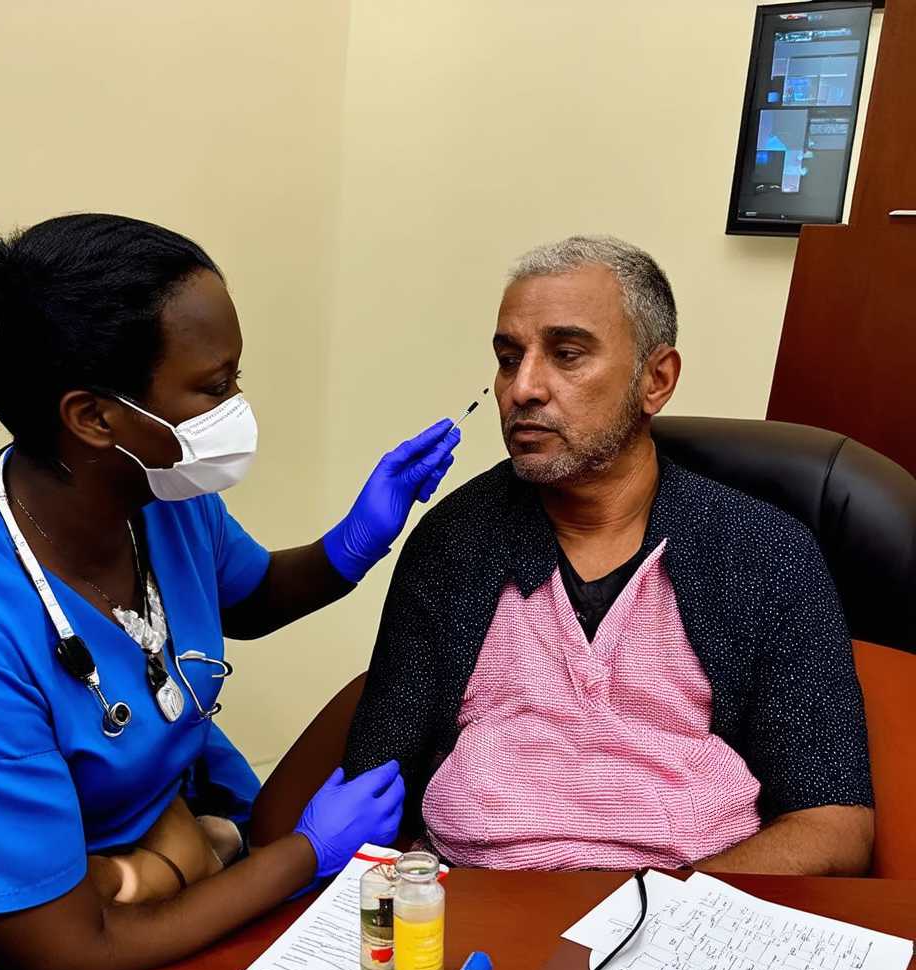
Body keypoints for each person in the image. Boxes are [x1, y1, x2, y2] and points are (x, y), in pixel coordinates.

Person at [0, 213, 457, 970]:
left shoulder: (151, 494)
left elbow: (251, 598)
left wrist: (357, 539)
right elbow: (63, 957)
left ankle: (180, 856)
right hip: (5, 946)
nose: (236, 405)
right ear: (94, 418)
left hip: (151, 847)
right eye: (212, 386)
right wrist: (303, 853)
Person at [340, 235, 874, 875]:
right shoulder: (454, 543)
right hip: (478, 906)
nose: (523, 389)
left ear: (656, 379)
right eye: (509, 359)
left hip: (694, 913)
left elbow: (834, 825)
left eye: (566, 355)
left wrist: (663, 915)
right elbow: (375, 785)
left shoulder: (762, 553)